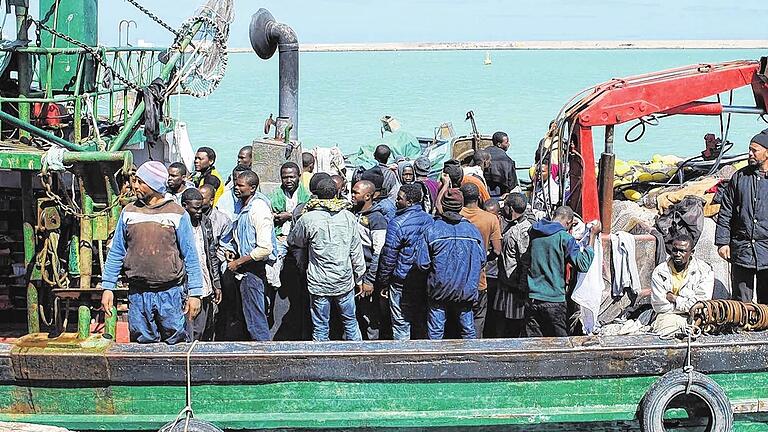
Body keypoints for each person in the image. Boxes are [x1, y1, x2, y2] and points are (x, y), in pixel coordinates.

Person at [100, 161, 203, 344]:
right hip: (138, 294)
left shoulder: (177, 213)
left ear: (154, 185)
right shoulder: (128, 212)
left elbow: (191, 256)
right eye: (135, 181)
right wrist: (108, 287)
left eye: (140, 182)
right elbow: (116, 252)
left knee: (175, 343)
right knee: (142, 344)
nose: (135, 186)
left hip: (170, 294)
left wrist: (195, 294)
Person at [288, 178, 366, 342]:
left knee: (321, 327)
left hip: (319, 284)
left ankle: (320, 364)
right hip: (344, 281)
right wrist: (359, 277)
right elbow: (356, 251)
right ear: (337, 193)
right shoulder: (348, 217)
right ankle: (359, 358)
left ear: (315, 195)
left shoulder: (307, 218)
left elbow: (295, 240)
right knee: (351, 323)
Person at [418, 188, 485, 339]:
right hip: (466, 290)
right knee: (468, 330)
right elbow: (482, 260)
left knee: (435, 333)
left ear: (443, 205)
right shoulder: (472, 230)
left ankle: (434, 361)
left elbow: (422, 264)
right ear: (461, 206)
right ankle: (472, 360)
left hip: (439, 290)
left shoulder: (432, 230)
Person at [526, 206, 600, 337]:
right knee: (560, 345)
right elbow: (583, 264)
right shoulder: (564, 238)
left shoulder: (534, 231)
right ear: (568, 222)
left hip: (532, 299)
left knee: (534, 345)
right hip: (554, 300)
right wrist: (592, 236)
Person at [716, 129, 768, 302]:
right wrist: (723, 242)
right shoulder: (739, 177)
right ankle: (741, 328)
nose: (750, 154)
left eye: (755, 150)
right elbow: (726, 212)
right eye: (749, 149)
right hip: (742, 248)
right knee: (741, 301)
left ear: (767, 153)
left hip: (767, 249)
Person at [377, 183, 433, 340]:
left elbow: (389, 256)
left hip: (402, 281)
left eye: (399, 199)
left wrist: (383, 281)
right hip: (423, 278)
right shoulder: (430, 220)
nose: (396, 201)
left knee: (401, 322)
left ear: (410, 202)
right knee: (420, 321)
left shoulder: (397, 223)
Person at [228, 170, 274, 341]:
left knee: (255, 318)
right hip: (245, 271)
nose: (236, 188)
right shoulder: (244, 208)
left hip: (253, 271)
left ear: (252, 188)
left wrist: (238, 262)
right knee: (249, 315)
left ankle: (263, 354)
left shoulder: (258, 208)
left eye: (241, 186)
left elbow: (264, 248)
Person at [459, 183, 501, 337]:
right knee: (478, 319)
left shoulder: (456, 215)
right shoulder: (490, 219)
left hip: (457, 279)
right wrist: (482, 259)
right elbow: (497, 250)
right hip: (479, 279)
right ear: (478, 198)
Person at [650, 233, 714, 335]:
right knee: (666, 333)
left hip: (696, 318)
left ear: (692, 252)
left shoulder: (704, 270)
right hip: (667, 316)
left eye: (682, 251)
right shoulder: (660, 271)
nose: (677, 254)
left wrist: (675, 299)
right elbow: (659, 306)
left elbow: (701, 304)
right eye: (675, 250)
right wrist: (688, 306)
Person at [181, 188, 223, 341]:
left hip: (205, 283)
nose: (200, 211)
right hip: (186, 286)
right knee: (188, 328)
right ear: (185, 206)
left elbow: (211, 254)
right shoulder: (178, 224)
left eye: (201, 207)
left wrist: (216, 283)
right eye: (196, 208)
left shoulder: (205, 222)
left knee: (203, 328)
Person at [352, 180, 390, 339]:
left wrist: (369, 280)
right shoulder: (356, 214)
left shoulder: (377, 219)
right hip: (358, 274)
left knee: (370, 315)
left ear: (367, 196)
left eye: (356, 192)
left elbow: (378, 251)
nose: (352, 195)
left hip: (369, 275)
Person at [492, 193, 532, 338]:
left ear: (511, 208)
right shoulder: (509, 225)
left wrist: (521, 287)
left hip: (514, 288)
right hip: (504, 283)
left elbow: (525, 262)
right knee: (500, 320)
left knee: (513, 325)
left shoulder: (523, 230)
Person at [485, 131, 519, 199]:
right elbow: (512, 183)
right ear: (499, 144)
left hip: (485, 192)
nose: (509, 144)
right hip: (500, 194)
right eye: (506, 143)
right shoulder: (507, 160)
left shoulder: (484, 153)